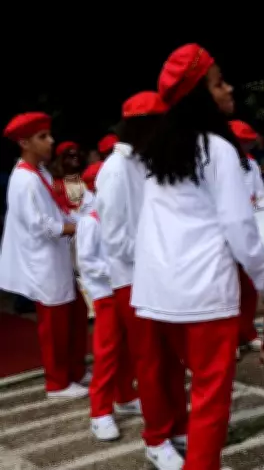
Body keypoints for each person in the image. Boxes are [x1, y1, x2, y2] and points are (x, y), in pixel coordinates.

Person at [133, 44, 264, 470]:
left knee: (187, 384)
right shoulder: (217, 149)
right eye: (218, 83)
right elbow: (240, 226)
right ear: (200, 96)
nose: (228, 88)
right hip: (205, 293)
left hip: (160, 293)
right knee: (211, 397)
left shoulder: (157, 150)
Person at [95, 91, 167, 442]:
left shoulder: (142, 161)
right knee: (148, 360)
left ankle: (162, 421)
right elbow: (115, 239)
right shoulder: (116, 169)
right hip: (131, 279)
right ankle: (157, 436)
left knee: (159, 358)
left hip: (151, 273)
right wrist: (156, 254)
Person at [0, 112, 88, 398]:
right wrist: (76, 227)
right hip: (44, 261)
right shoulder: (25, 180)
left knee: (75, 315)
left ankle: (75, 371)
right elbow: (39, 225)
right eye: (42, 137)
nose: (51, 141)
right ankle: (57, 383)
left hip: (56, 256)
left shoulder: (41, 173)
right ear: (24, 143)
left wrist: (77, 219)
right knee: (55, 324)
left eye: (49, 135)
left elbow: (55, 211)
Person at [76, 161, 141, 441]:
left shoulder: (119, 216)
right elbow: (87, 263)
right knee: (107, 353)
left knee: (127, 349)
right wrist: (117, 271)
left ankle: (125, 396)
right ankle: (99, 411)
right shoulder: (90, 221)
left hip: (126, 290)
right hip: (107, 295)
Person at [229, 119, 264, 353]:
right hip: (225, 234)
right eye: (242, 142)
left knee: (249, 287)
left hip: (250, 229)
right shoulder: (215, 166)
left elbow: (261, 193)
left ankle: (247, 331)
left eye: (248, 143)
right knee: (229, 290)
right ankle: (230, 340)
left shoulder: (250, 164)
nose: (246, 147)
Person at [52, 141, 86, 213]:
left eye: (77, 155)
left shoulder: (85, 178)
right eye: (71, 155)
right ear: (62, 159)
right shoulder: (55, 184)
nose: (76, 158)